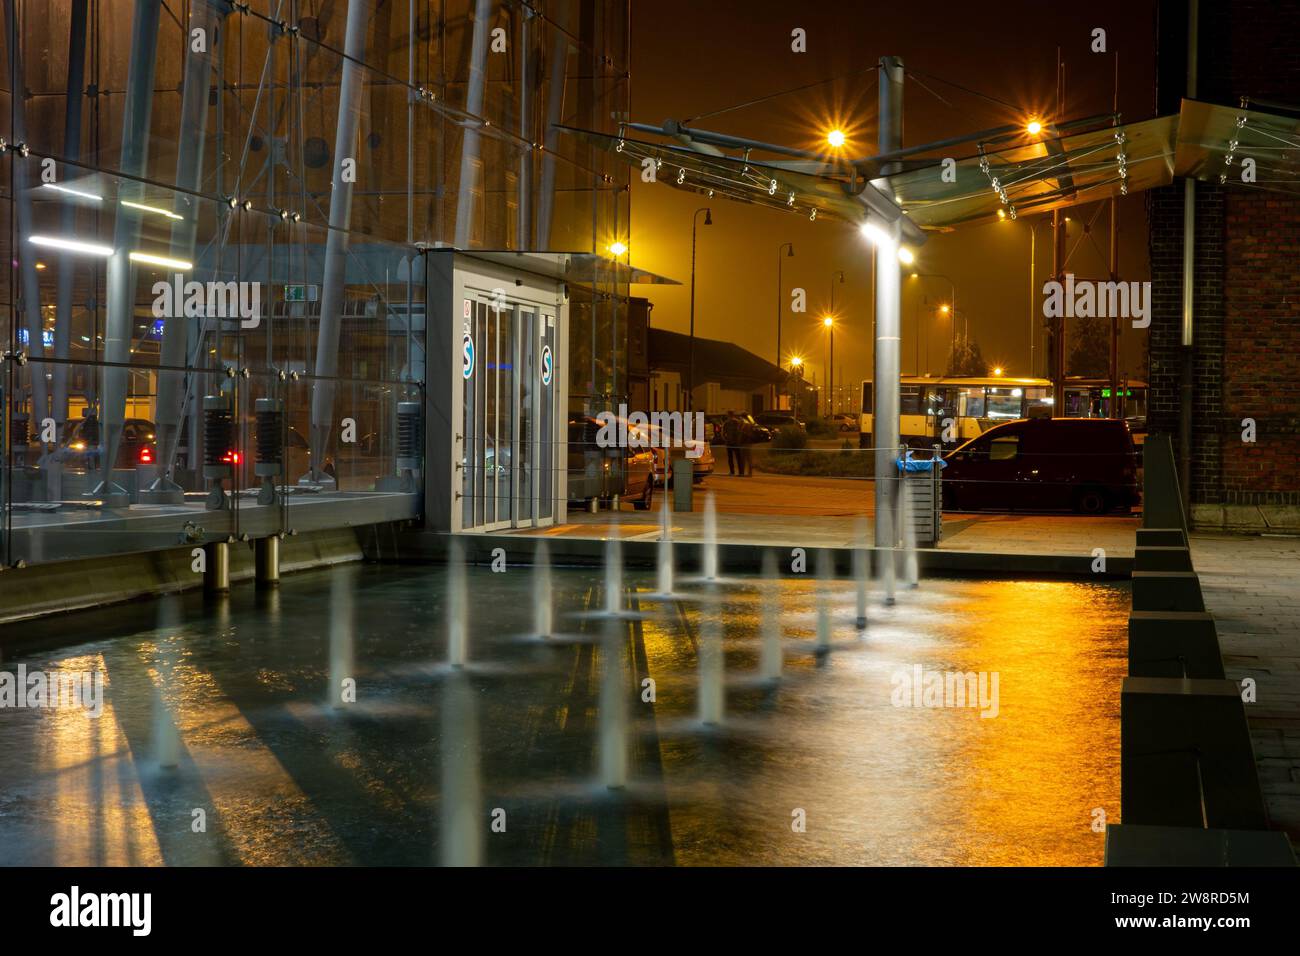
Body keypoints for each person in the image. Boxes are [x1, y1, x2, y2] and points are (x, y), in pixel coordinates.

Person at [721, 410, 743, 475]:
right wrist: (739, 440)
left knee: (730, 458)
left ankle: (732, 472)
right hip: (736, 443)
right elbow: (740, 432)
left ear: (728, 415)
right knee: (738, 458)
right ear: (733, 415)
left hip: (729, 443)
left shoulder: (726, 423)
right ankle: (740, 472)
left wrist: (726, 439)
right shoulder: (738, 422)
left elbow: (723, 433)